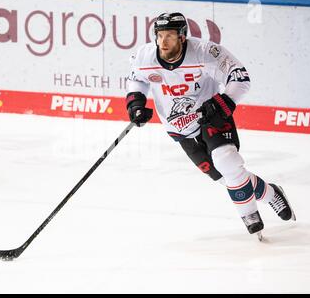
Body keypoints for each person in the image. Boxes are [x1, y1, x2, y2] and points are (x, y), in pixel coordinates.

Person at [125, 12, 295, 238]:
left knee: (228, 161)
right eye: (160, 36)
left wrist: (223, 102)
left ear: (182, 37)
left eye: (169, 37)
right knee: (227, 177)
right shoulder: (144, 57)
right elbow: (136, 79)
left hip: (210, 117)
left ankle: (250, 217)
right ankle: (272, 194)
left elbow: (240, 78)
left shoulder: (205, 53)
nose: (163, 42)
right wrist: (136, 102)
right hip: (179, 129)